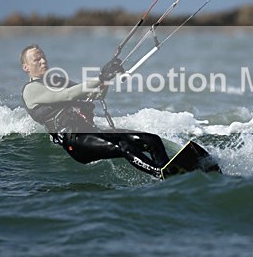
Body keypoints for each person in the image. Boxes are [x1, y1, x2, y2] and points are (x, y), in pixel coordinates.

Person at [20, 44, 169, 177]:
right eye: (37, 59)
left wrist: (107, 78)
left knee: (152, 140)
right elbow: (67, 95)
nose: (43, 61)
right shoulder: (31, 90)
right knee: (124, 146)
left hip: (92, 131)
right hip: (76, 141)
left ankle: (169, 172)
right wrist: (100, 78)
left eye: (43, 57)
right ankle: (161, 174)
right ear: (26, 67)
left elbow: (95, 94)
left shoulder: (58, 81)